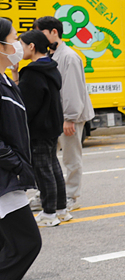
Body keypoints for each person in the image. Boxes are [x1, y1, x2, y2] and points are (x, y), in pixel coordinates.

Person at [0, 18, 43, 280]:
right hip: (4, 179)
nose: (18, 45)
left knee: (9, 245)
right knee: (27, 242)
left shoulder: (4, 79)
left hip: (8, 178)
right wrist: (16, 164)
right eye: (14, 39)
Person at [35, 16, 92, 211]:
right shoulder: (53, 55)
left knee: (71, 157)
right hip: (57, 115)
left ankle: (70, 195)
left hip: (69, 116)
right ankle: (49, 194)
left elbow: (72, 90)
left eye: (41, 32)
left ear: (54, 32)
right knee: (48, 157)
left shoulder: (68, 56)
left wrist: (70, 118)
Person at [18, 32, 69, 227]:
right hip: (52, 126)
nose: (20, 49)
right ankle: (61, 209)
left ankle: (49, 213)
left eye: (22, 45)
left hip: (39, 128)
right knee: (52, 166)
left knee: (43, 170)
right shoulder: (50, 67)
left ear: (31, 46)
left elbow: (27, 106)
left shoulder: (32, 72)